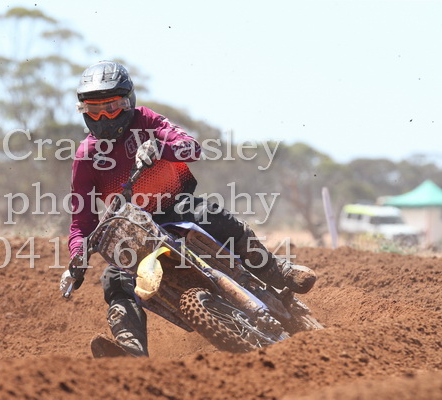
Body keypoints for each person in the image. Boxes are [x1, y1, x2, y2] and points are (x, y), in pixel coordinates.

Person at [65, 60, 316, 357]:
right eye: (94, 110)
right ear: (83, 111)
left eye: (112, 107)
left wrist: (161, 148)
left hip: (176, 206)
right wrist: (77, 255)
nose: (104, 116)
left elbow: (192, 147)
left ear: (128, 102)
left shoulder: (147, 121)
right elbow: (81, 223)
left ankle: (277, 271)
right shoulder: (87, 156)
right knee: (114, 278)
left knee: (209, 215)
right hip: (134, 231)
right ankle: (132, 351)